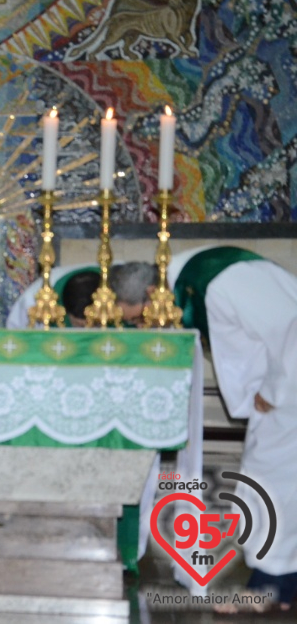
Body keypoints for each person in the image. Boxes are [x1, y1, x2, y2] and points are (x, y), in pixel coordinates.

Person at [111, 246, 297, 609]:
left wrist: (276, 388)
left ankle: (272, 587)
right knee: (270, 479)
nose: (145, 324)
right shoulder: (195, 276)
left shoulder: (219, 279)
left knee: (276, 481)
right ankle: (277, 585)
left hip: (288, 387)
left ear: (151, 293)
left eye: (139, 317)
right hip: (280, 387)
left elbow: (290, 323)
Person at [5, 264, 100, 328]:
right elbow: (17, 340)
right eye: (80, 326)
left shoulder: (113, 284)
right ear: (65, 309)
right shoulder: (34, 301)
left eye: (95, 324)